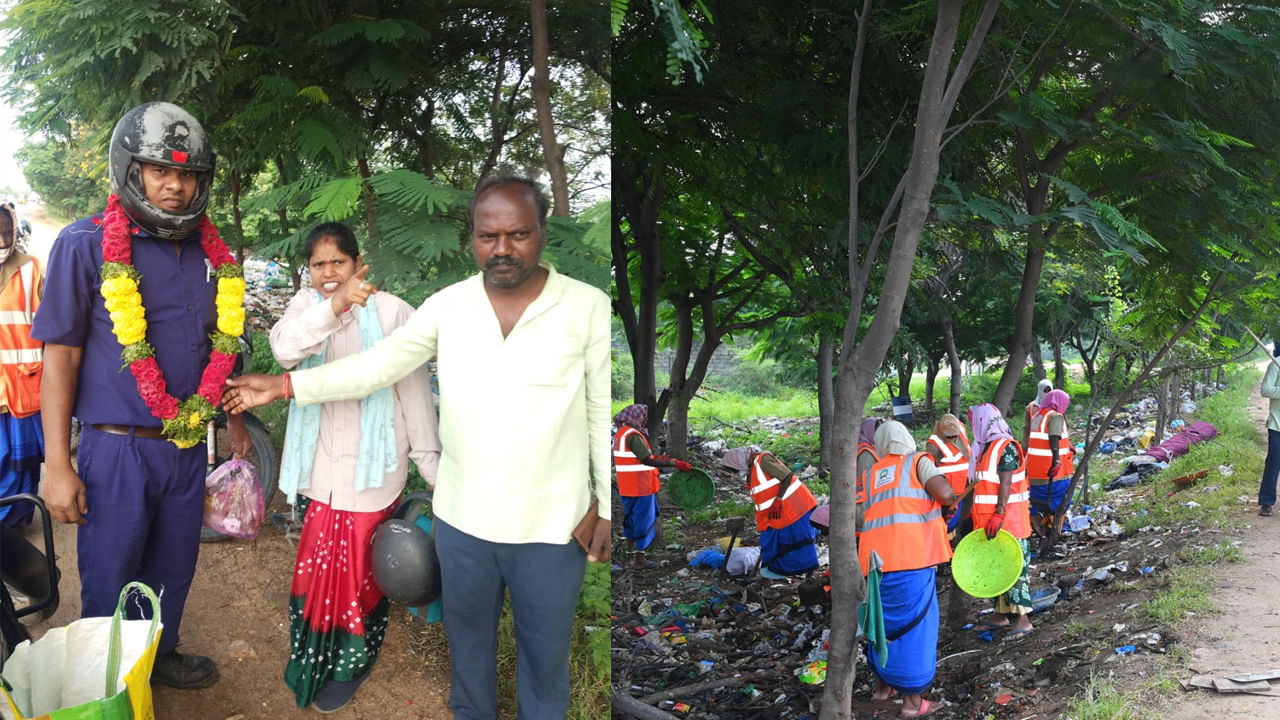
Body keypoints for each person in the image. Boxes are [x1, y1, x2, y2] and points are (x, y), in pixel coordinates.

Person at [224, 176, 610, 720]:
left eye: (519, 234)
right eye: (487, 235)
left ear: (543, 232)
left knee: (545, 666)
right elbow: (378, 367)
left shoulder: (586, 307)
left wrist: (606, 506)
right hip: (463, 519)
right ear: (471, 239)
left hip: (553, 524)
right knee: (469, 657)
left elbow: (599, 411)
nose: (502, 248)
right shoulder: (446, 306)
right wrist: (287, 386)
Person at [32, 102, 249, 689]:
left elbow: (219, 349)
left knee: (173, 569)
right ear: (131, 171)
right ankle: (106, 684)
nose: (176, 186)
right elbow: (61, 358)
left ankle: (158, 654)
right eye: (161, 171)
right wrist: (57, 463)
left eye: (188, 175)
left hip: (185, 448)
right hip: (116, 450)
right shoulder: (86, 244)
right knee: (110, 575)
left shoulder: (213, 255)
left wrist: (232, 424)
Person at [270, 222, 440, 711]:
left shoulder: (391, 313)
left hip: (373, 475)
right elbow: (284, 350)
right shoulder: (306, 308)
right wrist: (335, 306)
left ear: (356, 261)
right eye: (319, 264)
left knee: (361, 577)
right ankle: (311, 656)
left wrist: (432, 472)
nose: (328, 273)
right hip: (323, 472)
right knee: (314, 574)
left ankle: (350, 664)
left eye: (337, 263)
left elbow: (414, 397)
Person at [860, 420, 956, 718]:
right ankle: (913, 703)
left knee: (884, 626)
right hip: (912, 560)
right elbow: (947, 494)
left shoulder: (871, 473)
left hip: (876, 565)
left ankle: (882, 689)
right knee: (916, 630)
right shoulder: (918, 461)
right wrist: (947, 504)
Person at [967, 403, 1033, 641]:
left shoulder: (1006, 447)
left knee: (1015, 570)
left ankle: (1023, 620)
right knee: (996, 570)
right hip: (990, 524)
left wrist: (999, 512)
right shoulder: (985, 449)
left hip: (1010, 523)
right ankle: (1000, 613)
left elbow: (1005, 484)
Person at [0, 203, 44, 528]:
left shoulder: (31, 269)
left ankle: (14, 522)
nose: (1, 238)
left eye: (5, 230)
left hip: (21, 387)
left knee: (19, 463)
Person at [612, 403, 687, 569]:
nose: (645, 419)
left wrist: (666, 460)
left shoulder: (621, 435)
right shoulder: (633, 435)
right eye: (643, 416)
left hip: (627, 486)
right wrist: (672, 463)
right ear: (635, 417)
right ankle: (640, 558)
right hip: (641, 487)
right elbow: (646, 459)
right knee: (642, 521)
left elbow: (638, 458)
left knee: (630, 520)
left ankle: (631, 556)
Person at [730, 445, 819, 578]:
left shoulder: (762, 460)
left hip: (796, 506)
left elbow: (787, 476)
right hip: (775, 514)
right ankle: (770, 576)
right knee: (774, 544)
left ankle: (810, 576)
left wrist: (778, 499)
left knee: (801, 541)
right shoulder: (751, 471)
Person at [1026, 389, 1074, 534]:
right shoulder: (1056, 416)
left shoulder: (1037, 416)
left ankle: (1043, 522)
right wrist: (1057, 460)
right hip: (1053, 474)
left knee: (1043, 501)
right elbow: (1054, 436)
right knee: (1062, 500)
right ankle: (1056, 529)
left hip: (1035, 475)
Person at [925, 413, 971, 536]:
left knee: (964, 518)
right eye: (948, 437)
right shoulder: (933, 444)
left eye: (954, 436)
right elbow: (928, 471)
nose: (952, 439)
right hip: (950, 491)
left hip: (967, 486)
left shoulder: (960, 428)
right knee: (949, 525)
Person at [1258, 348, 1280, 516]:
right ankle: (1266, 501)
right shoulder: (1276, 364)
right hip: (1277, 424)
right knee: (1273, 463)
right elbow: (1265, 389)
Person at [1022, 378, 1053, 451]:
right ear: (1040, 391)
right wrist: (1025, 446)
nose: (1047, 393)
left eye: (1049, 390)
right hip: (1035, 445)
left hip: (1052, 442)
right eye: (1045, 391)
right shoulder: (1031, 407)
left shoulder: (1056, 406)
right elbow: (1027, 428)